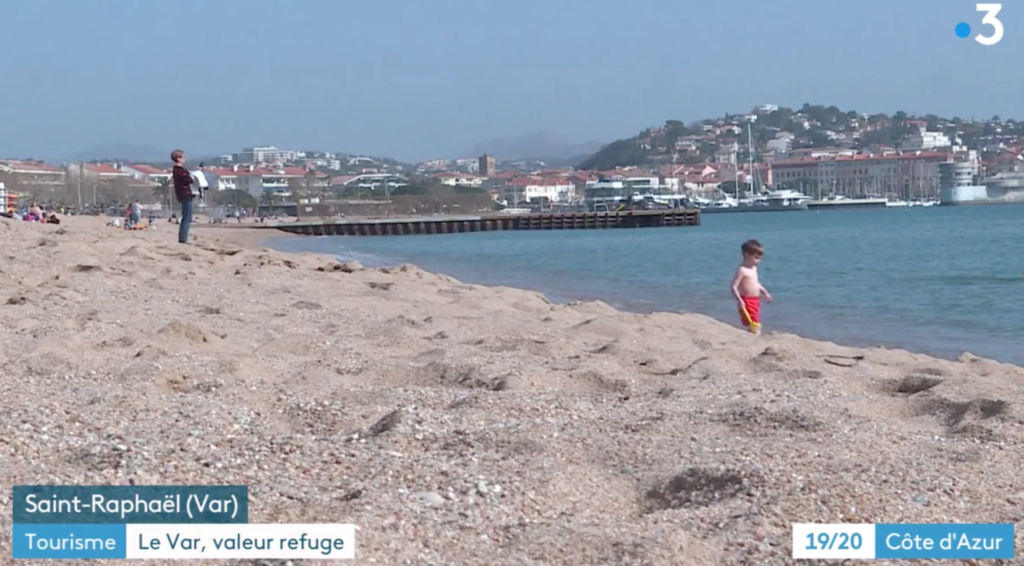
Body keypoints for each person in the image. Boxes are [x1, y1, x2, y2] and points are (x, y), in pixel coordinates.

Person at [730, 239, 772, 335]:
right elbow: (734, 286)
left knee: (754, 319)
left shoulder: (754, 269)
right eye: (756, 257)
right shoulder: (742, 270)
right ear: (746, 255)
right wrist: (740, 300)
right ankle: (755, 334)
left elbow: (756, 283)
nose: (759, 261)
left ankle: (753, 332)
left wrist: (765, 292)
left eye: (760, 258)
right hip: (746, 300)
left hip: (755, 299)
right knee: (753, 321)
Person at [171, 149, 195, 243]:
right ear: (178, 158)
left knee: (186, 216)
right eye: (183, 157)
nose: (185, 159)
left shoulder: (177, 170)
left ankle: (183, 238)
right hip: (185, 194)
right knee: (187, 217)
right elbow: (188, 180)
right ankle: (183, 239)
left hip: (182, 194)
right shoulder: (179, 170)